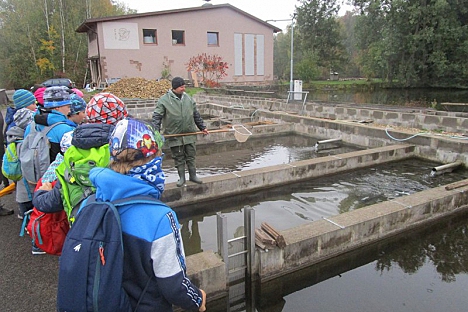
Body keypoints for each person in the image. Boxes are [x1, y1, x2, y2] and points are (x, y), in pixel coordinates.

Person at [91, 118, 206, 311]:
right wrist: (198, 300)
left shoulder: (93, 201)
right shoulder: (160, 218)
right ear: (152, 160)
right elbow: (173, 286)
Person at [152, 77, 209, 187]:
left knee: (191, 156)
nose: (184, 89)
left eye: (184, 86)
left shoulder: (188, 99)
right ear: (175, 88)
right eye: (181, 87)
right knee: (178, 157)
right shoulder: (164, 100)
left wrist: (202, 127)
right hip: (174, 134)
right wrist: (156, 132)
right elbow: (157, 117)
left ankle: (193, 175)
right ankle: (182, 178)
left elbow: (196, 115)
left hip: (189, 133)